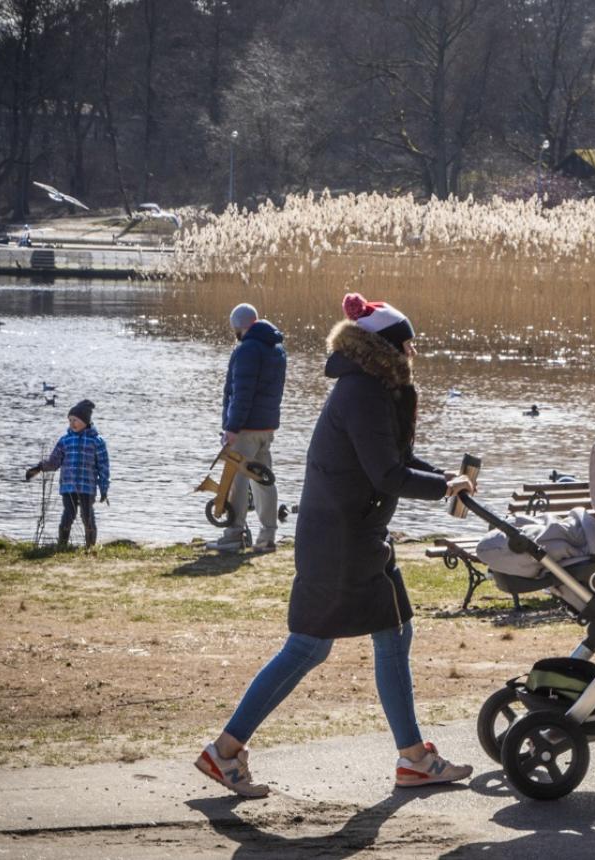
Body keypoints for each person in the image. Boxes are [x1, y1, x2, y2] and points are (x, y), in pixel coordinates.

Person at [196, 292, 475, 798]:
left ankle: (413, 758)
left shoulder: (366, 387)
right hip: (344, 541)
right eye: (407, 344)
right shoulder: (364, 392)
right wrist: (442, 488)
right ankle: (225, 750)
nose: (413, 353)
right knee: (309, 647)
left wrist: (447, 479)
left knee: (392, 635)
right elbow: (387, 473)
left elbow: (392, 459)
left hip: (354, 535)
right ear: (386, 347)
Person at [210, 302, 287, 553]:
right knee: (264, 479)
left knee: (237, 479)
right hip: (266, 428)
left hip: (246, 429)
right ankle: (268, 536)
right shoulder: (276, 349)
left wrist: (232, 427)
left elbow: (241, 394)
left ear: (238, 327)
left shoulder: (247, 350)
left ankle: (234, 534)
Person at [24, 399, 109, 549]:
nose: (72, 423)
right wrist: (38, 468)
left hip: (86, 487)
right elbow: (54, 462)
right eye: (70, 420)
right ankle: (62, 545)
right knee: (68, 514)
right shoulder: (65, 440)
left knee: (87, 516)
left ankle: (90, 546)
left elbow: (103, 467)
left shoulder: (97, 441)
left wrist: (104, 489)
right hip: (68, 486)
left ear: (85, 420)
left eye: (75, 420)